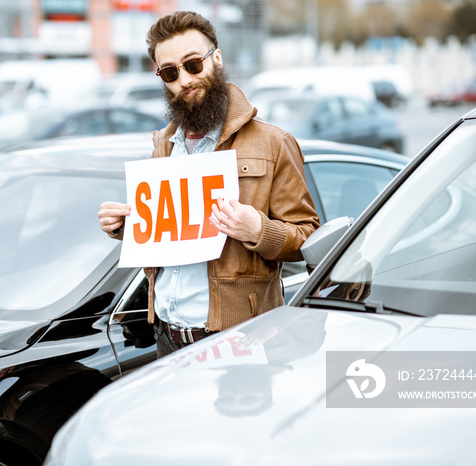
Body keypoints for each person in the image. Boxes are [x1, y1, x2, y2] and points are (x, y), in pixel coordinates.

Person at [98, 11, 319, 358]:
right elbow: (171, 233)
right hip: (168, 339)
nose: (184, 79)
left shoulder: (274, 143)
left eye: (193, 64)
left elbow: (308, 236)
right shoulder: (163, 148)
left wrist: (259, 230)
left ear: (216, 58)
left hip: (241, 339)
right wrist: (125, 226)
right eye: (171, 73)